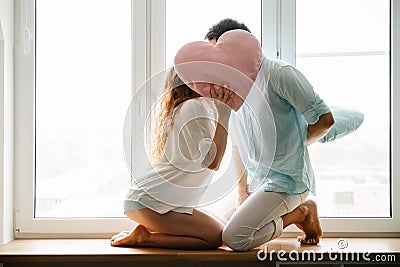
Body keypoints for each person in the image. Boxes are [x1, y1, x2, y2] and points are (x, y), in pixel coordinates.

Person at [204, 19, 334, 251]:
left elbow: (325, 120)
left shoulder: (279, 74)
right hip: (257, 182)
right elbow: (238, 146)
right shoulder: (232, 88)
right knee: (215, 233)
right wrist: (242, 191)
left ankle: (300, 213)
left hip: (287, 181)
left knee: (235, 238)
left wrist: (292, 145)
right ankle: (289, 211)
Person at [110, 68, 234, 249]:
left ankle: (150, 232)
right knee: (215, 238)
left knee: (224, 229)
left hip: (150, 200)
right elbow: (212, 162)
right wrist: (224, 114)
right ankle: (145, 238)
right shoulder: (195, 106)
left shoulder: (195, 106)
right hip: (148, 202)